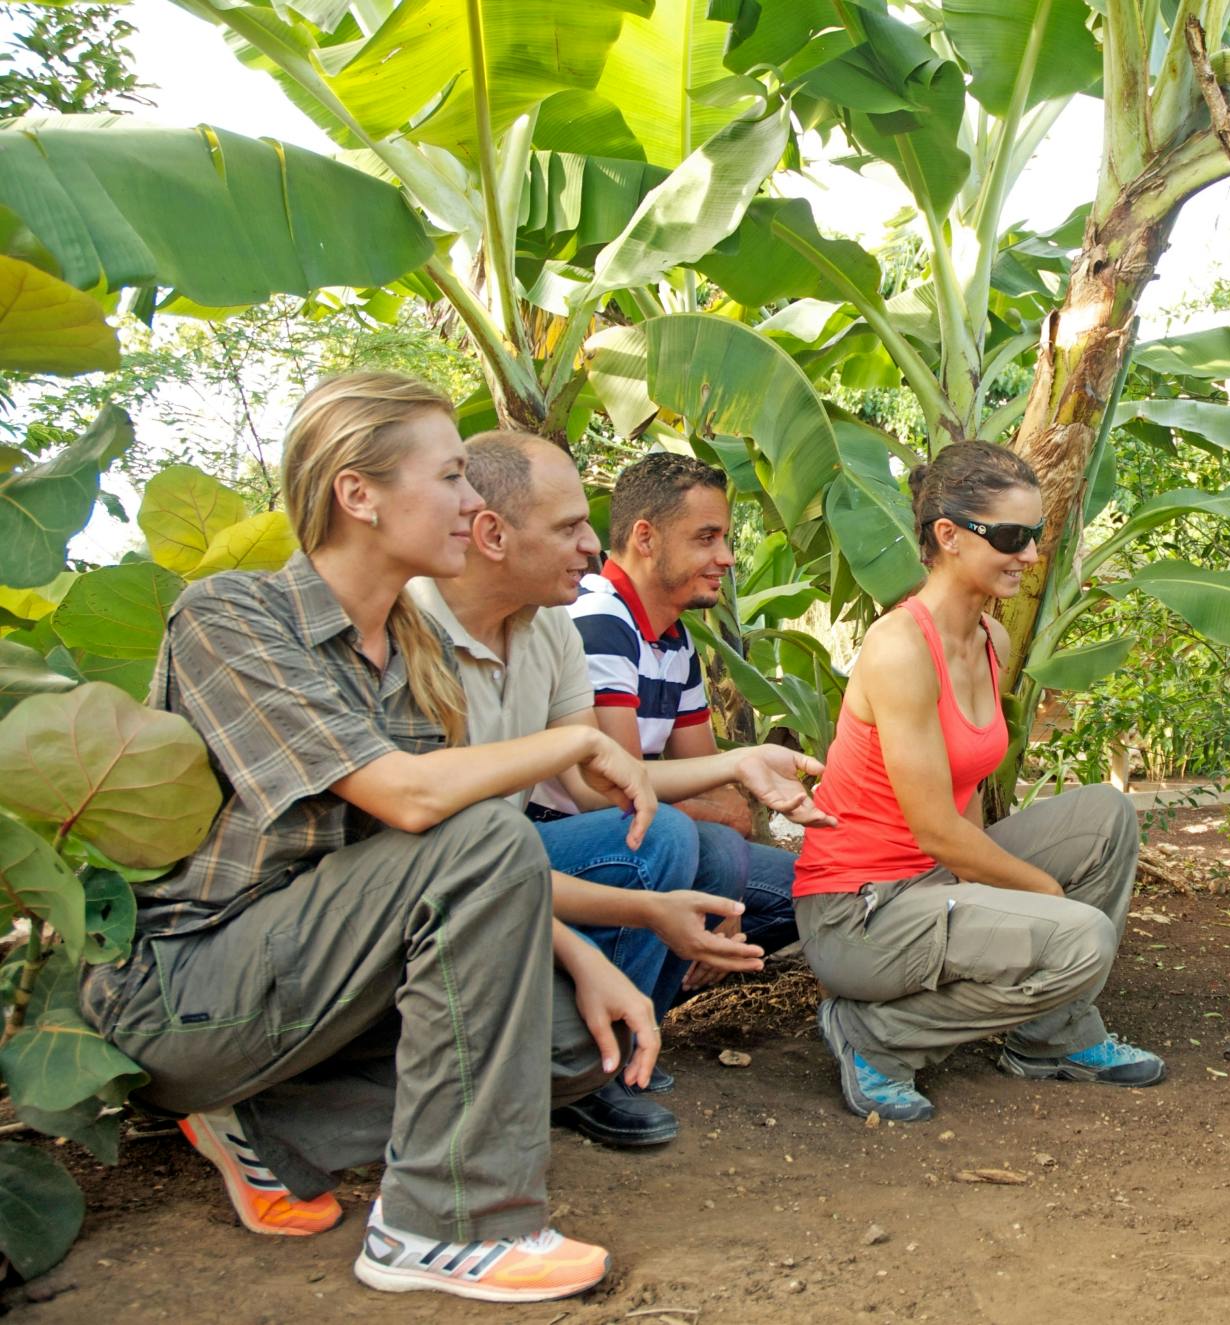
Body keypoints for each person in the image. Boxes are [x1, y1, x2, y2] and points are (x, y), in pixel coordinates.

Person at [79, 373, 670, 1303]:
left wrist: (585, 960)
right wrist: (570, 739)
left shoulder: (410, 654)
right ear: (359, 494)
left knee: (565, 1043)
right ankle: (437, 1225)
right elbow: (413, 805)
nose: (473, 503)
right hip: (185, 991)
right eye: (451, 479)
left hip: (315, 979)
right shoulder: (231, 618)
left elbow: (440, 875)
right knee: (481, 838)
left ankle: (265, 1129)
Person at [408, 431, 833, 1147]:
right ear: (491, 533)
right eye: (570, 526)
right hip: (463, 863)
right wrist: (719, 788)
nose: (586, 544)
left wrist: (738, 769)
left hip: (509, 853)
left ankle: (612, 1026)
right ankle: (593, 1061)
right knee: (676, 839)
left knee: (796, 877)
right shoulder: (581, 617)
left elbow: (592, 767)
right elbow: (595, 790)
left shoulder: (555, 629)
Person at [791, 441, 1163, 1123]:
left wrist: (990, 897)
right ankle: (874, 1037)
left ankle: (1051, 1036)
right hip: (859, 913)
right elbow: (935, 827)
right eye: (1013, 537)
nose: (1029, 554)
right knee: (1079, 936)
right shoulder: (901, 647)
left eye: (1036, 535)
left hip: (931, 881)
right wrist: (1042, 895)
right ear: (949, 536)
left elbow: (961, 807)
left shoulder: (990, 638)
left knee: (1108, 817)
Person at [530, 451, 800, 989]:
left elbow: (713, 780)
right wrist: (722, 810)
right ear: (646, 537)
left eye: (725, 538)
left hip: (642, 823)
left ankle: (663, 981)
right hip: (573, 834)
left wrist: (725, 804)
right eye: (706, 538)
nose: (725, 556)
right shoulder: (599, 619)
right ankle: (622, 1013)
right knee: (712, 845)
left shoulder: (674, 639)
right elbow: (614, 787)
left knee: (815, 887)